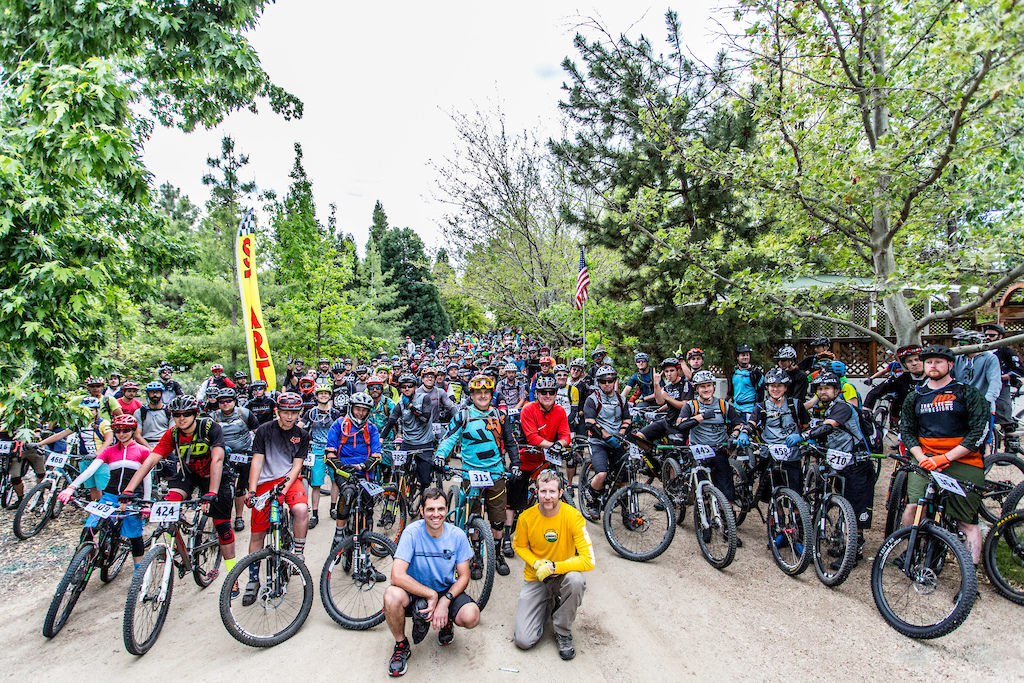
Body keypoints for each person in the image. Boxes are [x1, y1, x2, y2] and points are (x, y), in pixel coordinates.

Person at [120, 395, 238, 581]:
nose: (182, 418)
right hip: (188, 474)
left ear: (195, 414)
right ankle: (176, 541)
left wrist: (212, 493)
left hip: (216, 477)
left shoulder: (209, 428)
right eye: (177, 415)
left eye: (187, 414)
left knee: (222, 525)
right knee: (168, 503)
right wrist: (128, 490)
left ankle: (233, 576)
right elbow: (151, 459)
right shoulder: (173, 434)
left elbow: (217, 459)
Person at [899, 344, 989, 566]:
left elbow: (979, 432)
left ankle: (970, 574)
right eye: (929, 362)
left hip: (962, 460)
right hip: (925, 459)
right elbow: (908, 432)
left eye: (939, 361)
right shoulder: (915, 396)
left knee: (966, 522)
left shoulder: (967, 392)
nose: (933, 365)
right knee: (913, 508)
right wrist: (922, 458)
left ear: (950, 364)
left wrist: (945, 458)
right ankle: (910, 552)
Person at [384, 487, 480, 676]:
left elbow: (464, 576)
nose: (436, 514)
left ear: (446, 510)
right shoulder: (411, 532)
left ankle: (446, 622)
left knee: (471, 615)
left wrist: (445, 601)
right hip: (416, 590)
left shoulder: (457, 535)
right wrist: (430, 594)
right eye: (430, 509)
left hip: (445, 589)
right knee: (391, 595)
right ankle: (401, 645)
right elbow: (396, 575)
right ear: (422, 511)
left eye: (441, 509)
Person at [435, 374, 521, 577]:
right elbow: (449, 438)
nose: (482, 395)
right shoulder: (462, 415)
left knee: (498, 520)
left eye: (486, 392)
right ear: (471, 395)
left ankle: (497, 554)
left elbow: (510, 442)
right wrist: (440, 456)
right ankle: (475, 556)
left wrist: (516, 464)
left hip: (496, 472)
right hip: (470, 473)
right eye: (478, 392)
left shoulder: (500, 416)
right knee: (473, 516)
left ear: (491, 394)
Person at [512, 469, 594, 661]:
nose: (547, 497)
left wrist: (554, 568)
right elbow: (519, 545)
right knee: (523, 641)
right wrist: (536, 563)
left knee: (576, 580)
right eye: (543, 491)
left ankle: (562, 631)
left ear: (560, 493)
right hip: (536, 577)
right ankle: (548, 603)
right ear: (537, 491)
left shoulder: (573, 516)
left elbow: (588, 560)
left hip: (561, 575)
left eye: (551, 492)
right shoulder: (526, 517)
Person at [242, 392, 311, 603]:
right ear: (277, 412)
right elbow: (257, 461)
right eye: (285, 413)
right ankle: (253, 578)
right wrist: (252, 490)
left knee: (300, 509)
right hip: (265, 481)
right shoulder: (264, 431)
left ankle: (298, 554)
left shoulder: (302, 434)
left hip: (289, 480)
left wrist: (284, 488)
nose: (290, 417)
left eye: (294, 413)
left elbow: (297, 465)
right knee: (258, 533)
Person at [797, 372, 874, 559]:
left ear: (837, 390)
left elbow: (830, 426)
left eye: (827, 389)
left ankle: (854, 550)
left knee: (856, 507)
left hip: (857, 463)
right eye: (820, 389)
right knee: (843, 501)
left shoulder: (843, 407)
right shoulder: (830, 407)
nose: (823, 392)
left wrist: (805, 437)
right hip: (842, 463)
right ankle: (843, 543)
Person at [58, 414, 150, 568]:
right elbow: (90, 470)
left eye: (126, 430)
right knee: (89, 527)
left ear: (132, 430)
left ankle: (138, 572)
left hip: (133, 499)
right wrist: (71, 487)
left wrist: (147, 504)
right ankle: (80, 563)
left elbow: (147, 479)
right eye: (118, 430)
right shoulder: (109, 451)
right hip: (110, 496)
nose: (122, 434)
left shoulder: (143, 451)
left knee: (135, 536)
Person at [507, 375, 571, 557]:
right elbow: (532, 437)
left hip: (545, 459)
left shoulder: (559, 411)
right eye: (544, 392)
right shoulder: (528, 409)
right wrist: (555, 445)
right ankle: (505, 536)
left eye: (551, 392)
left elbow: (566, 434)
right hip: (526, 456)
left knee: (552, 491)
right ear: (538, 394)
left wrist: (562, 444)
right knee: (513, 493)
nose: (548, 395)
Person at [674, 371, 742, 513]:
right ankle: (704, 521)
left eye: (709, 386)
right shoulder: (691, 406)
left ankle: (727, 522)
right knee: (702, 489)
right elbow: (680, 425)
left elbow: (738, 423)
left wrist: (734, 435)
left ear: (713, 387)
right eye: (702, 386)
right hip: (699, 452)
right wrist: (699, 417)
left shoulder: (723, 405)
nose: (706, 389)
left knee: (726, 490)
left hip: (719, 450)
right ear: (697, 389)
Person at [324, 392, 382, 547]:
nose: (360, 413)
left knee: (368, 510)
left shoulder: (371, 428)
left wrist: (362, 466)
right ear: (351, 408)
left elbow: (377, 455)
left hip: (365, 472)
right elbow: (329, 454)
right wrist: (342, 467)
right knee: (348, 493)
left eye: (364, 410)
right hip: (343, 471)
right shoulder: (339, 425)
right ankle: (338, 533)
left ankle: (367, 558)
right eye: (357, 409)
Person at [741, 368, 810, 491]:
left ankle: (796, 510)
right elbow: (751, 423)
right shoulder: (761, 407)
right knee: (771, 491)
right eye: (772, 386)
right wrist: (744, 433)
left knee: (796, 492)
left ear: (786, 387)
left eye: (779, 386)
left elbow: (807, 427)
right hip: (769, 454)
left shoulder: (796, 405)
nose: (775, 389)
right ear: (767, 387)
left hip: (791, 454)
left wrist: (804, 437)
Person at [37, 396, 113, 501]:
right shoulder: (79, 424)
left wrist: (97, 453)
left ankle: (106, 512)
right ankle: (94, 512)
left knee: (103, 487)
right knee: (92, 487)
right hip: (84, 458)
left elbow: (109, 440)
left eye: (91, 410)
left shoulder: (103, 423)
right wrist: (41, 443)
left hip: (101, 459)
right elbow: (61, 434)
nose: (89, 412)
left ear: (97, 410)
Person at [581, 366, 631, 517]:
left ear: (615, 381)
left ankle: (626, 511)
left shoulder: (622, 400)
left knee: (624, 478)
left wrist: (621, 434)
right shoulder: (592, 399)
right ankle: (593, 500)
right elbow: (590, 422)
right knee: (602, 474)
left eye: (610, 381)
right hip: (598, 442)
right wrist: (608, 437)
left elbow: (627, 419)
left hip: (618, 440)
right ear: (599, 382)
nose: (607, 384)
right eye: (603, 381)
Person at [211, 387, 260, 533]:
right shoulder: (212, 417)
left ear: (234, 401)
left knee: (240, 489)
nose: (225, 403)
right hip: (223, 457)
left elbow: (257, 432)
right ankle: (223, 518)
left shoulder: (245, 413)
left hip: (244, 454)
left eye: (228, 400)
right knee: (222, 489)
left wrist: (258, 451)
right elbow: (208, 438)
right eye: (222, 401)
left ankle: (239, 517)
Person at [381, 374, 438, 491]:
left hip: (424, 443)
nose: (407, 389)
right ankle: (400, 498)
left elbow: (425, 418)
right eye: (403, 386)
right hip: (407, 443)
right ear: (400, 389)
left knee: (425, 480)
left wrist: (412, 408)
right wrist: (381, 438)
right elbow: (391, 421)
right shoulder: (400, 404)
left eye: (410, 386)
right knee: (398, 471)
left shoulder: (424, 398)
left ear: (415, 387)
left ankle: (422, 500)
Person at [302, 383, 342, 529]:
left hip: (332, 451)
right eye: (321, 394)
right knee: (316, 484)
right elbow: (301, 427)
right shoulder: (311, 413)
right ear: (316, 396)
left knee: (334, 481)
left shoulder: (335, 413)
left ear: (330, 395)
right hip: (316, 451)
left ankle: (333, 507)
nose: (323, 396)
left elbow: (342, 431)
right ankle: (315, 514)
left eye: (326, 393)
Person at [979, 322, 1024, 445]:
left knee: (1005, 420)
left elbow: (1019, 370)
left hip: (1001, 387)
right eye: (986, 335)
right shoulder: (980, 351)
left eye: (992, 336)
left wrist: (1000, 377)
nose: (988, 338)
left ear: (1000, 337)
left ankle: (1011, 451)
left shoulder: (1007, 352)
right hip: (982, 386)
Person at [632, 358, 687, 447]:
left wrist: (668, 399)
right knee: (639, 437)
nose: (669, 374)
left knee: (671, 454)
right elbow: (660, 401)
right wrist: (656, 384)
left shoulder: (685, 384)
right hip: (667, 421)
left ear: (678, 370)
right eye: (666, 371)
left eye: (672, 371)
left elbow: (684, 405)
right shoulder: (668, 387)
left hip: (679, 425)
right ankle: (652, 456)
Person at [728, 343, 763, 420]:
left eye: (747, 355)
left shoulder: (756, 373)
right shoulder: (734, 372)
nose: (745, 357)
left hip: (750, 409)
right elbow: (732, 389)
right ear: (738, 357)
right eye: (743, 355)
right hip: (736, 408)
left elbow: (761, 390)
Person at [133, 381, 172, 448]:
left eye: (157, 392)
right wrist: (149, 448)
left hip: (165, 444)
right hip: (145, 444)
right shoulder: (140, 412)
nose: (155, 395)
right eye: (152, 392)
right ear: (148, 394)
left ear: (161, 394)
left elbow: (171, 432)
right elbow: (137, 435)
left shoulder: (169, 411)